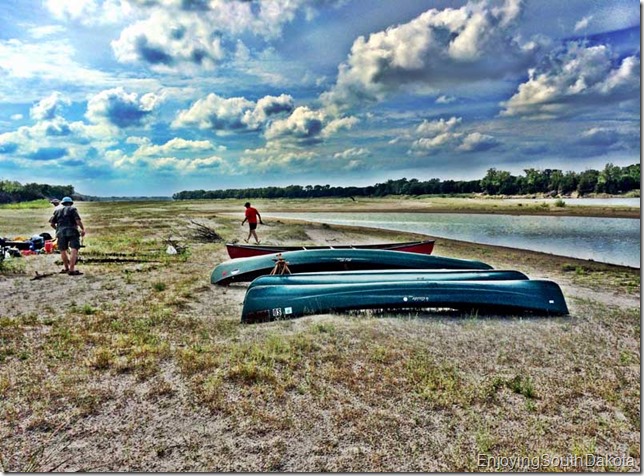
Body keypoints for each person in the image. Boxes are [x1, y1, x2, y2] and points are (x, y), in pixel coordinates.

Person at [49, 196, 86, 275]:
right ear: (71, 203)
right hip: (72, 231)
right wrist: (83, 229)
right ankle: (71, 269)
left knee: (63, 250)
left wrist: (57, 229)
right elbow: (78, 221)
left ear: (62, 203)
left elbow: (52, 224)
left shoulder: (57, 211)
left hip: (60, 232)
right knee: (74, 249)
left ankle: (66, 268)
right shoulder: (73, 209)